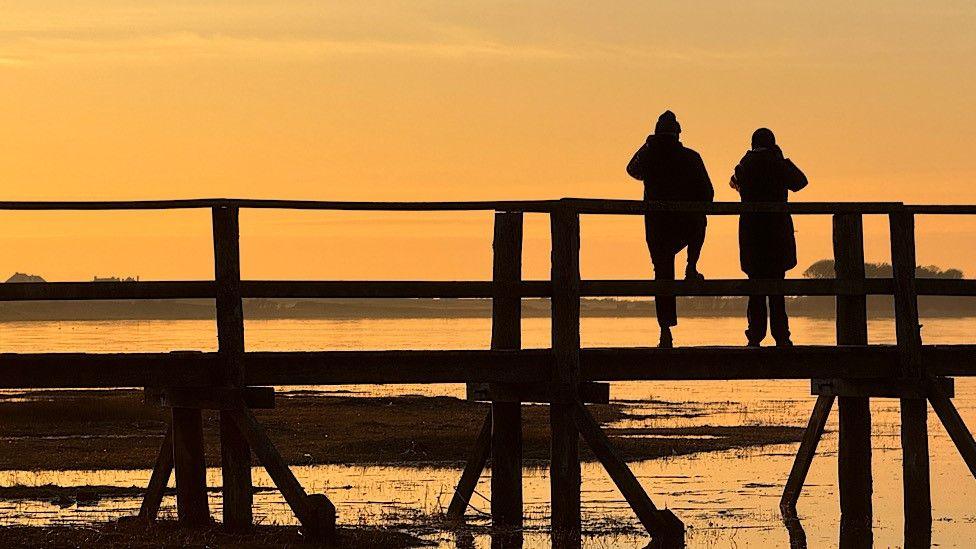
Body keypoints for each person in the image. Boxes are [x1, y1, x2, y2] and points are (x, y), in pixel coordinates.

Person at [627, 111, 714, 348]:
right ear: (678, 134)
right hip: (686, 224)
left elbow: (631, 170)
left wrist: (647, 144)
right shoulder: (691, 157)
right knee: (701, 221)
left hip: (657, 228)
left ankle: (665, 331)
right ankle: (691, 266)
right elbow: (709, 194)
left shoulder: (649, 158)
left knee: (662, 275)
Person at [730, 128, 808, 346]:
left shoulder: (744, 165)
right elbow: (801, 182)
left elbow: (733, 182)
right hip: (777, 235)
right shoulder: (779, 165)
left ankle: (755, 336)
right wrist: (782, 159)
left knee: (755, 288)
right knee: (777, 289)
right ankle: (782, 337)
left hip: (752, 235)